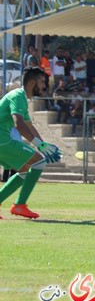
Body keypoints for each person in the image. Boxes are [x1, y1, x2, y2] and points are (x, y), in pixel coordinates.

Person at [0, 67, 62, 219]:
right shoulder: (18, 96)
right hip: (2, 140)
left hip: (3, 140)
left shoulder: (21, 97)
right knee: (39, 161)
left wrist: (43, 144)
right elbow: (19, 125)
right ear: (32, 82)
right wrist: (39, 146)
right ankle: (19, 205)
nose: (44, 86)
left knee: (24, 169)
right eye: (42, 82)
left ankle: (18, 205)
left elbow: (29, 126)